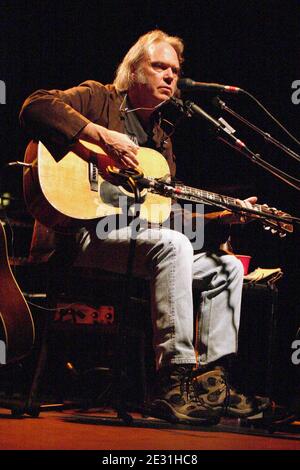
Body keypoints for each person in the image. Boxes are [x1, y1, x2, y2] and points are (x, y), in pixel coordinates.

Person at [19, 30, 270, 425]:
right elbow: (35, 106)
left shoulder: (161, 141)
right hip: (79, 236)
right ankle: (173, 380)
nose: (170, 76)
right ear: (133, 71)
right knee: (172, 246)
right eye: (159, 66)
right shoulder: (98, 98)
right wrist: (101, 138)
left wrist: (223, 218)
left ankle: (213, 383)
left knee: (226, 268)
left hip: (131, 242)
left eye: (174, 70)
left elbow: (160, 217)